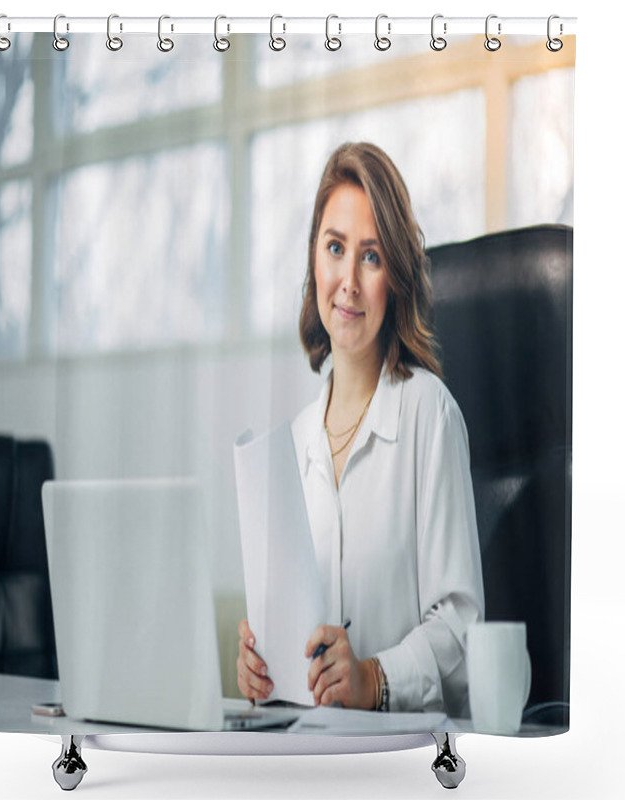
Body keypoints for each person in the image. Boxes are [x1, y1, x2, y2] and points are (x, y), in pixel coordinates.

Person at [237, 142, 484, 716]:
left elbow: (461, 628)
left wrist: (375, 678)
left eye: (371, 257)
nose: (348, 279)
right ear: (314, 262)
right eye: (335, 248)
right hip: (307, 757)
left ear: (394, 277)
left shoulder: (430, 414)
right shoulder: (291, 445)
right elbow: (293, 636)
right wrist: (261, 662)